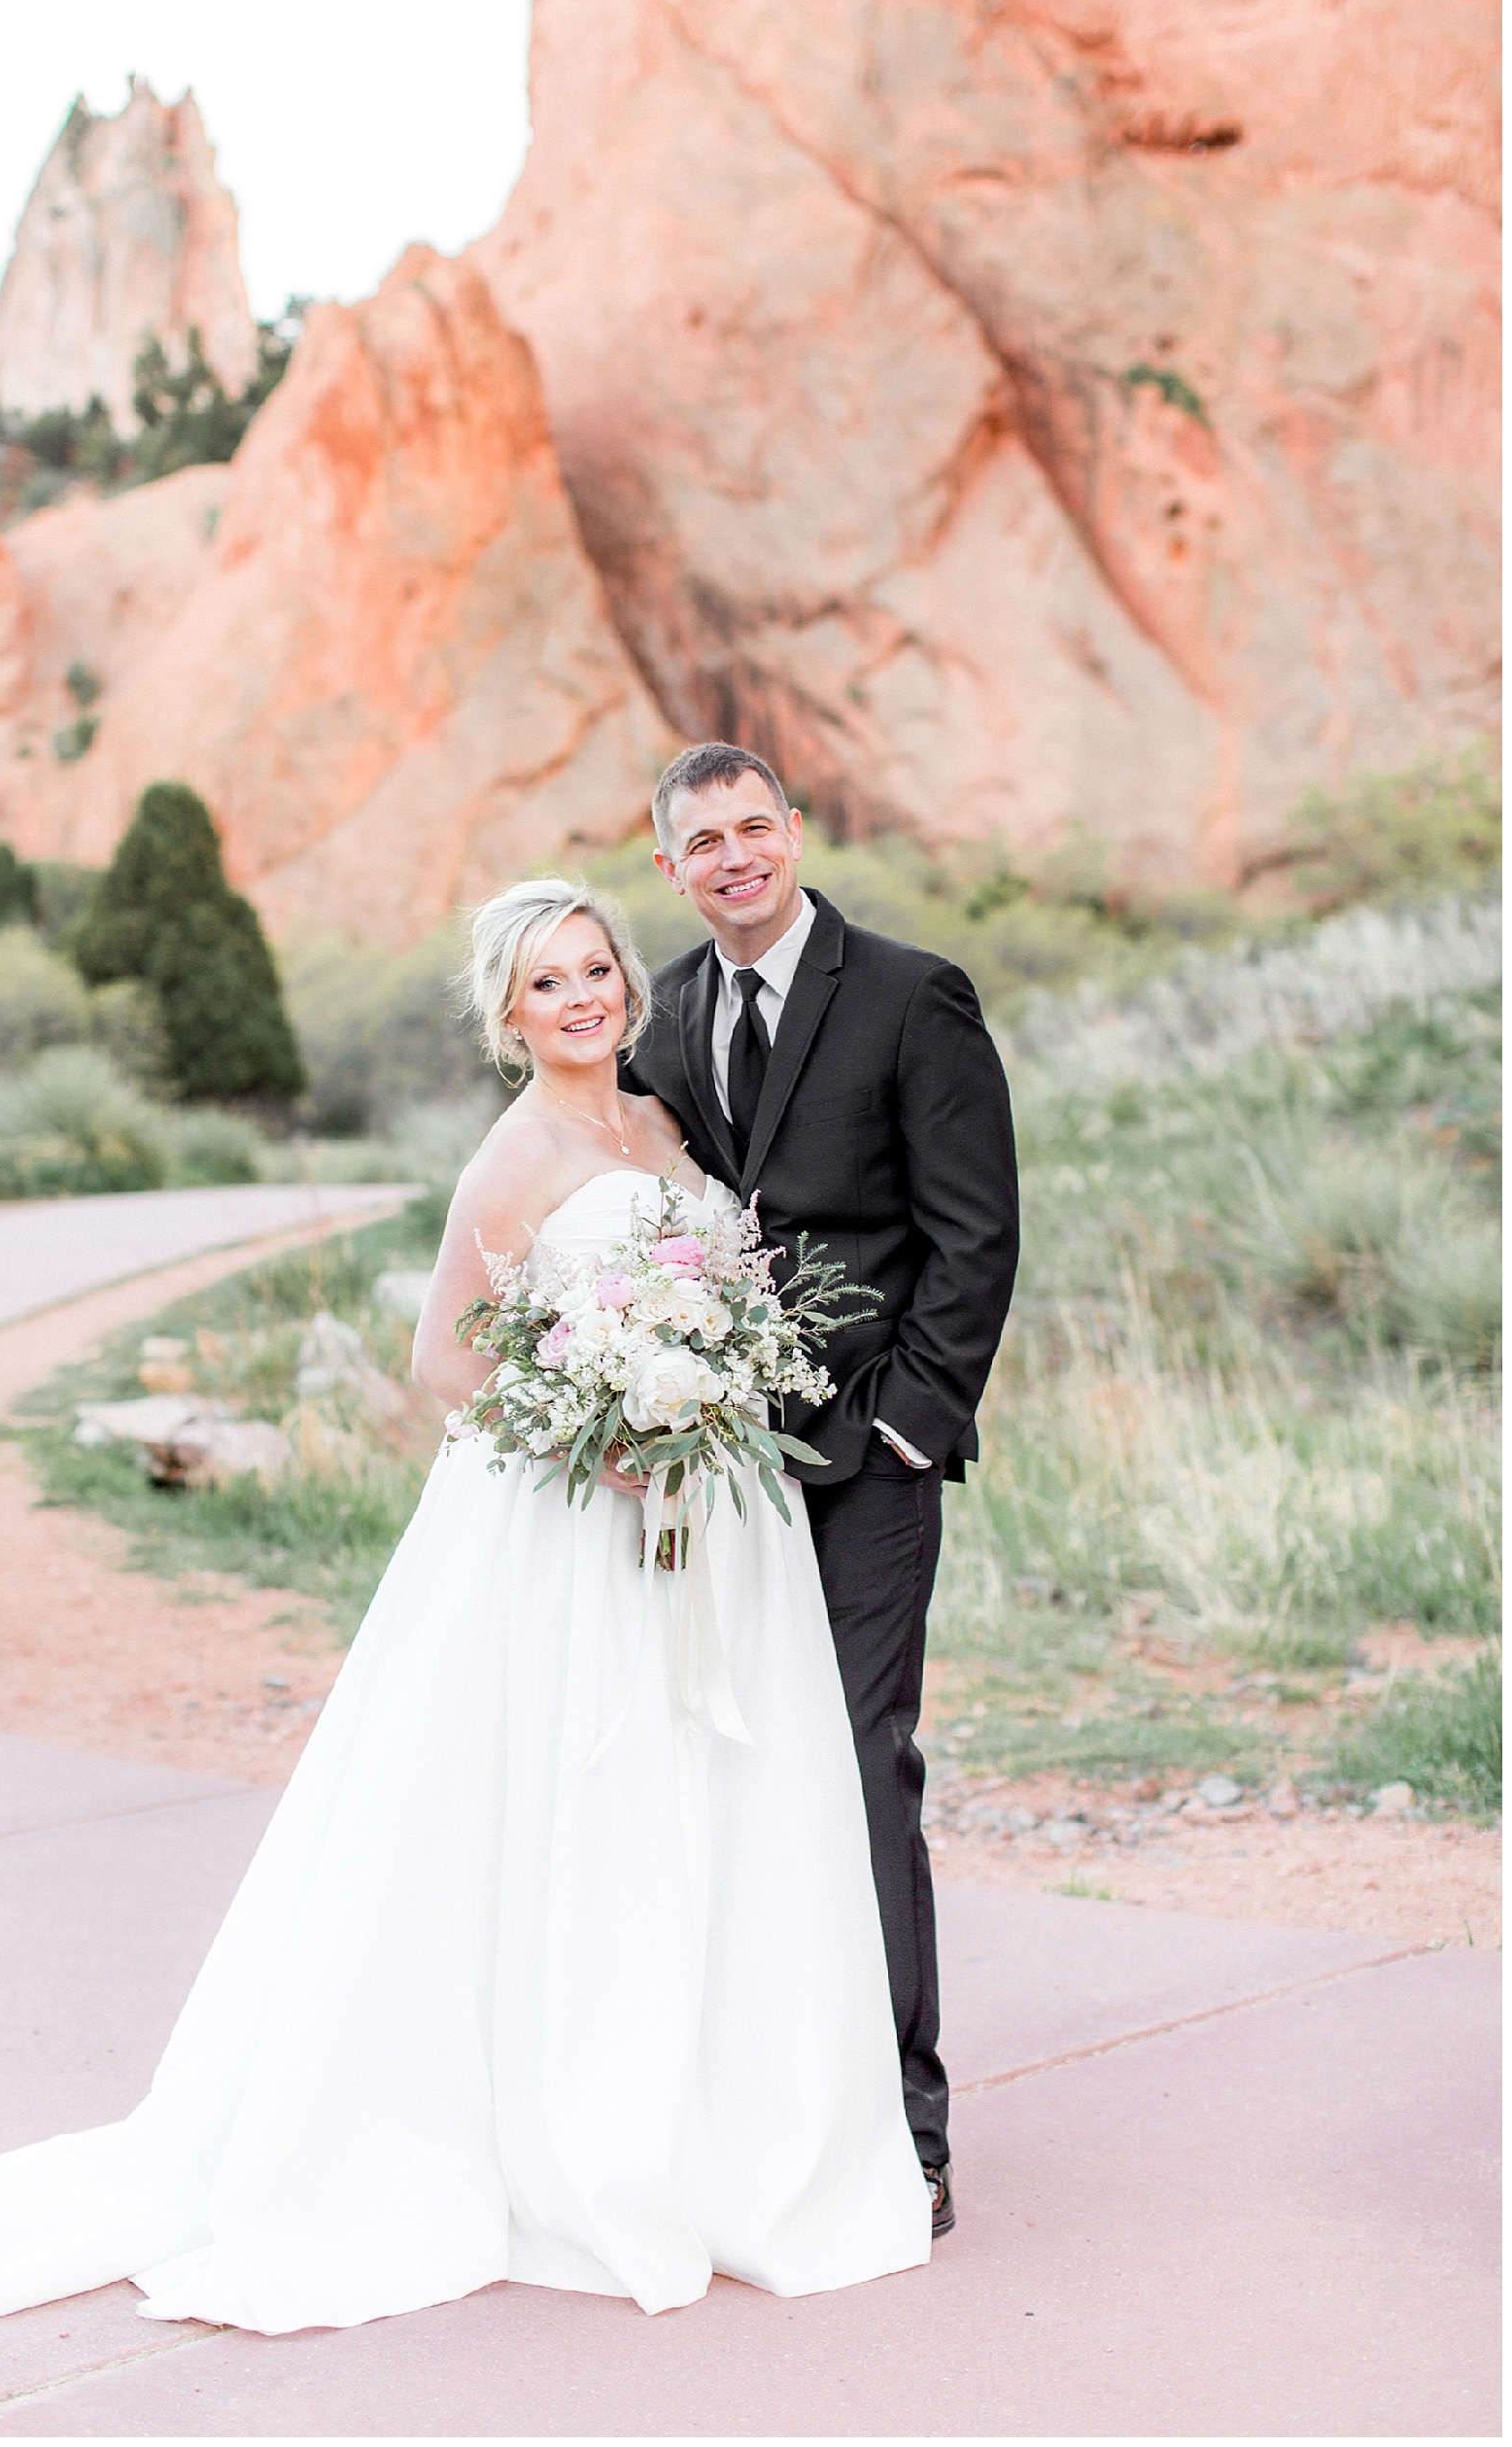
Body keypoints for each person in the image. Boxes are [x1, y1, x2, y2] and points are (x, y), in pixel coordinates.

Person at [0, 875, 937, 2336]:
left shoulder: (663, 1124)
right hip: (583, 1524)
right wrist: (607, 1440)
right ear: (509, 1015)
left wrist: (708, 1385)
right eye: (548, 984)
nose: (581, 999)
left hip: (715, 1516)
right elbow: (446, 1363)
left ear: (627, 983)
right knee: (584, 1797)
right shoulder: (514, 1156)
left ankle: (718, 2128)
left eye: (596, 971)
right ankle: (569, 2126)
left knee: (713, 1787)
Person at [623, 744, 1020, 2234]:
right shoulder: (660, 1015)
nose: (734, 856)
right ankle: (754, 2107)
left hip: (868, 1461)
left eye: (754, 827)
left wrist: (913, 1423)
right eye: (703, 840)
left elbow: (975, 1233)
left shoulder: (914, 995)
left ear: (794, 833)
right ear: (670, 866)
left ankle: (905, 2131)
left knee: (860, 1768)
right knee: (725, 1773)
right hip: (716, 1470)